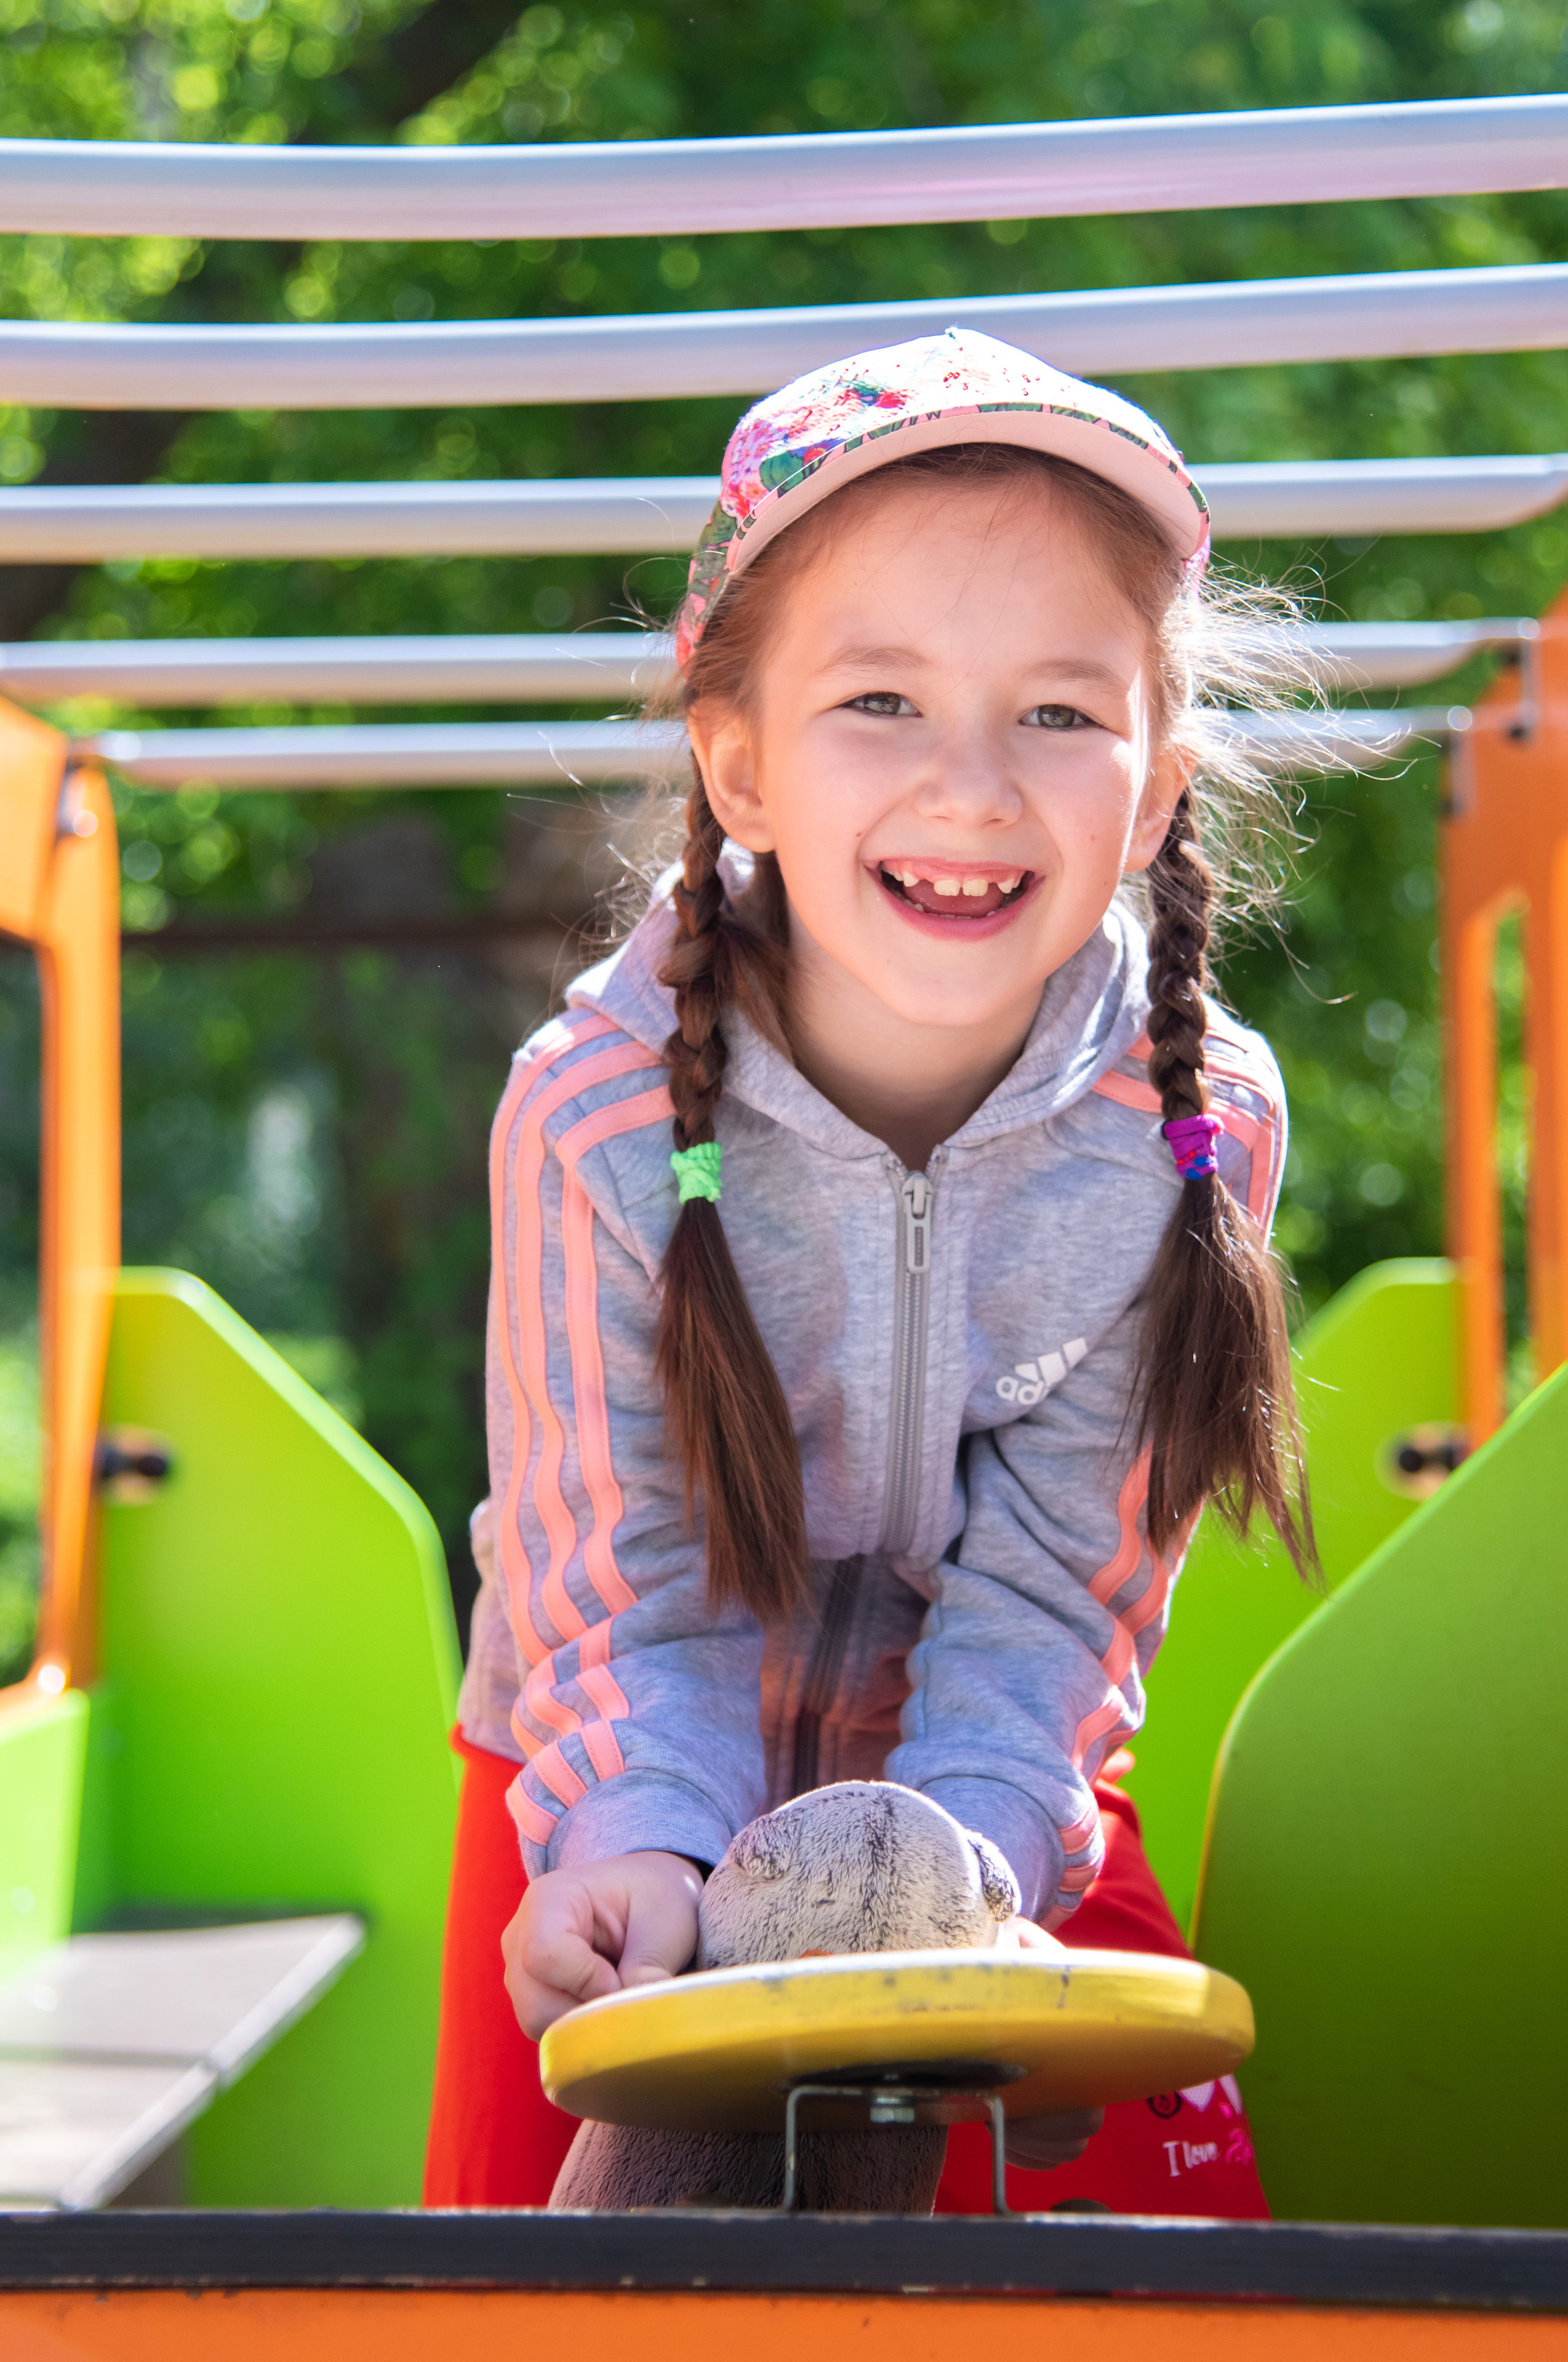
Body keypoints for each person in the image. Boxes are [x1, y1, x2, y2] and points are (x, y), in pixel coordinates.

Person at [423, 327, 1312, 2217]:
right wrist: (644, 1848)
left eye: (1062, 715)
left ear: (1156, 790)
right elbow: (613, 1570)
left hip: (987, 1789)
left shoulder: (1188, 1122)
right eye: (882, 702)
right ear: (736, 761)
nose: (975, 787)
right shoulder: (588, 1115)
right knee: (543, 2290)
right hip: (606, 1786)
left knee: (1160, 2252)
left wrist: (972, 1886)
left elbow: (1064, 1595)